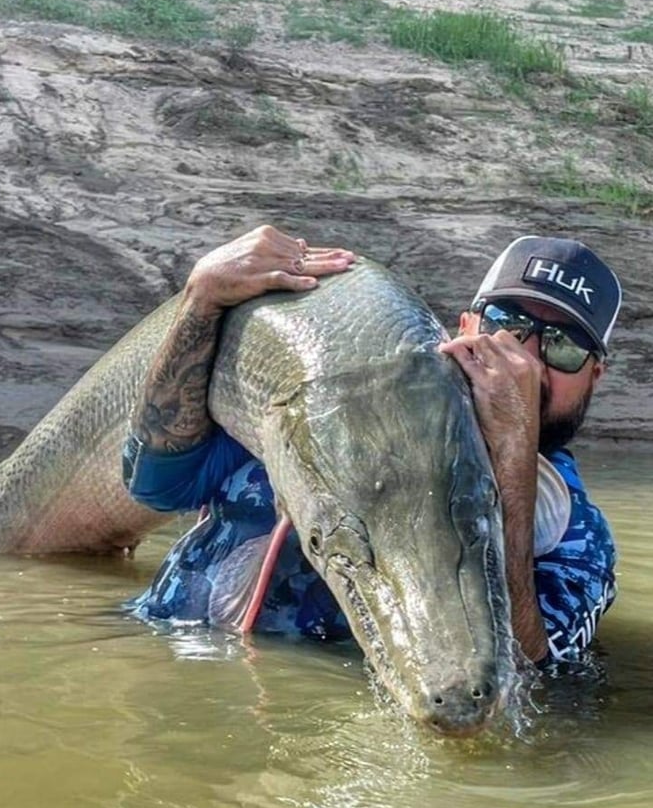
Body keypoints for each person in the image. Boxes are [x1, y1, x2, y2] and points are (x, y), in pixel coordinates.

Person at [121, 225, 621, 668]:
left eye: (562, 346)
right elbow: (158, 485)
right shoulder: (316, 396)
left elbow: (533, 678)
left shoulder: (578, 533)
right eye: (506, 322)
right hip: (156, 656)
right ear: (466, 327)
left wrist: (514, 451)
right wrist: (199, 301)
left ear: (595, 376)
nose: (524, 358)